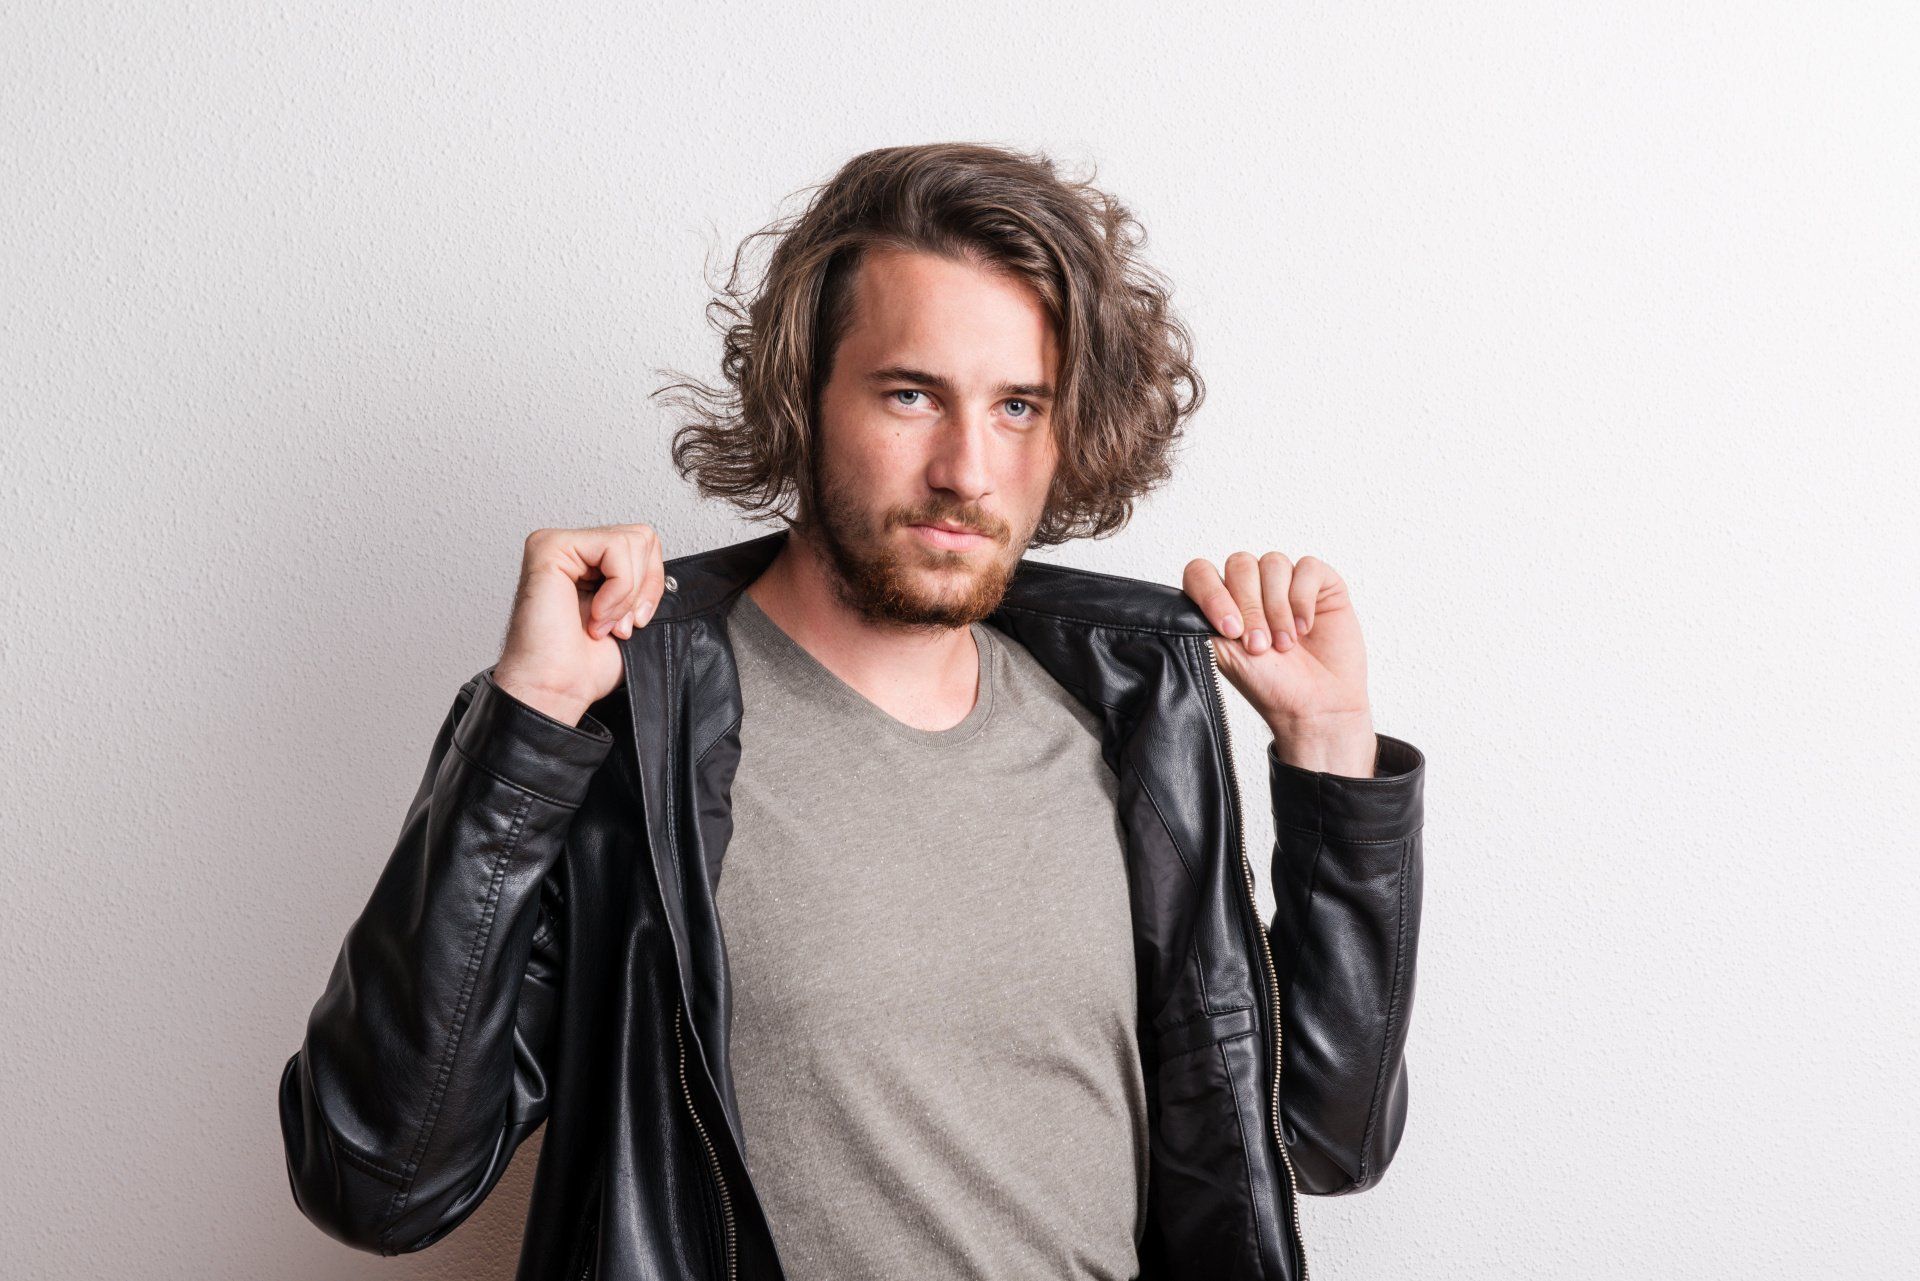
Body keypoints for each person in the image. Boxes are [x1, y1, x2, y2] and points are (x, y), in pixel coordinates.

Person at [278, 142, 1425, 1281]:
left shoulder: (1133, 722)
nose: (967, 469)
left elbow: (1320, 1144)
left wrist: (1329, 753)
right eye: (912, 394)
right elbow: (380, 1183)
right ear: (804, 400)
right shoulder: (627, 727)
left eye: (1018, 406)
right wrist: (528, 722)